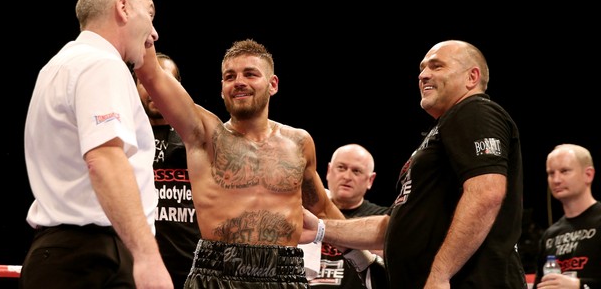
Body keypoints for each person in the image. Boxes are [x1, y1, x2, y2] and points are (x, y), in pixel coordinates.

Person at [133, 38, 369, 288]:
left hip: (284, 273)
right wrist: (144, 29)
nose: (239, 82)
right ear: (221, 86)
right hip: (216, 272)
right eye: (230, 76)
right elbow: (152, 75)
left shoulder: (299, 143)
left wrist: (363, 258)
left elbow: (320, 209)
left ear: (273, 84)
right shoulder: (205, 136)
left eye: (250, 74)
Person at [301, 39, 527, 288]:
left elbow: (487, 193)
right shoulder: (440, 135)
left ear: (471, 77)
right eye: (422, 68)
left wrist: (441, 274)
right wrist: (320, 228)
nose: (423, 75)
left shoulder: (474, 110)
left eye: (436, 66)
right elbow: (395, 225)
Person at [19, 0, 173, 289]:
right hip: (95, 258)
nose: (154, 33)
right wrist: (147, 257)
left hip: (58, 254)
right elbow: (104, 159)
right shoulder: (100, 65)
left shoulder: (56, 66)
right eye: (150, 15)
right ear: (123, 9)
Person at [135, 52, 202, 288]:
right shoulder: (122, 140)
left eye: (164, 78)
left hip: (194, 270)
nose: (153, 87)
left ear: (177, 87)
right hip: (139, 268)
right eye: (144, 81)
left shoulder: (201, 138)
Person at [308, 143, 389, 288]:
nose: (347, 176)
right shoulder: (306, 212)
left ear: (370, 180)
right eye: (341, 168)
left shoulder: (383, 220)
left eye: (356, 171)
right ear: (328, 170)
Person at [534, 144, 600, 289]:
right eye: (551, 173)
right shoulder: (550, 235)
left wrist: (579, 285)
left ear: (588, 174)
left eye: (564, 171)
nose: (556, 180)